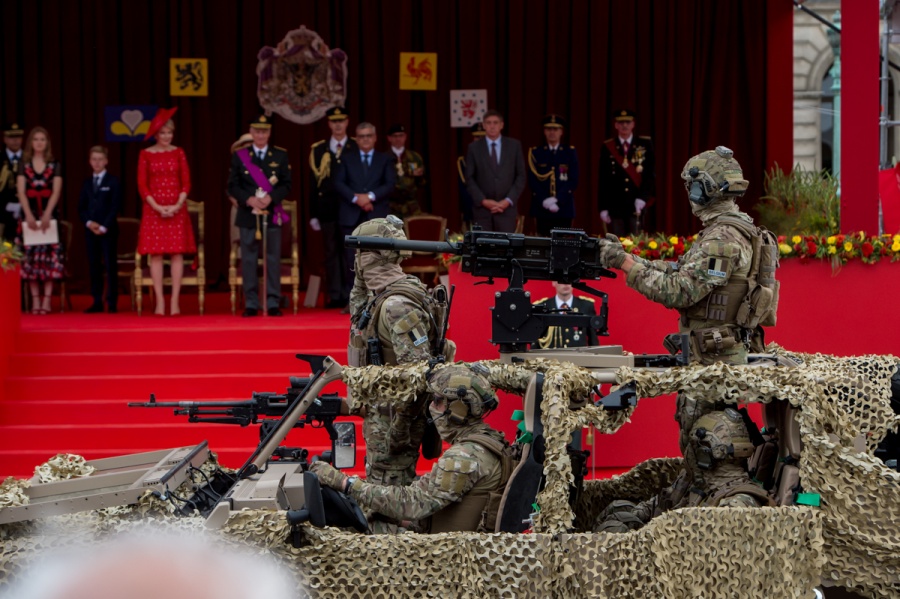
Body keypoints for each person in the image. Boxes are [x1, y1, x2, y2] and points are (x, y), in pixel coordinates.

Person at [597, 145, 779, 450]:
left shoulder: (723, 239)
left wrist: (623, 264)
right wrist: (631, 258)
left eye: (692, 186)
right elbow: (680, 270)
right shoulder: (728, 231)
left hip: (715, 362)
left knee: (705, 441)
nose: (689, 193)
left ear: (707, 189)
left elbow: (679, 290)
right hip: (715, 355)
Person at [311, 363, 511, 534]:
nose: (432, 406)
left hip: (443, 555)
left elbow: (413, 504)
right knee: (372, 518)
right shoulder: (489, 441)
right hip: (448, 541)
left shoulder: (464, 457)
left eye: (438, 400)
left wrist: (345, 483)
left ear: (457, 410)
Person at [346, 216, 455, 488]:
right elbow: (358, 313)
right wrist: (360, 277)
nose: (357, 262)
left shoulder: (398, 306)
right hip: (383, 415)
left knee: (389, 496)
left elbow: (417, 376)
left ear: (376, 257)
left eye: (361, 255)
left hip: (395, 421)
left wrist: (399, 431)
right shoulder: (382, 295)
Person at [594, 408, 772, 533]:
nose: (689, 452)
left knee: (616, 529)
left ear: (706, 453)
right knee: (618, 512)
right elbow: (663, 504)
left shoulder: (738, 505)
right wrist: (635, 516)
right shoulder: (699, 481)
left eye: (694, 446)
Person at [227, 114, 292, 317]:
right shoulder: (241, 156)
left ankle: (272, 301)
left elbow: (286, 184)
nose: (261, 134)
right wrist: (249, 199)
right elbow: (232, 185)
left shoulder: (280, 156)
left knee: (272, 258)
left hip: (272, 214)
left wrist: (271, 198)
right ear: (252, 133)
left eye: (264, 131)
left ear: (269, 133)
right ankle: (252, 303)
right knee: (248, 260)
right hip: (248, 214)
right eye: (257, 131)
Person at [137, 107, 195, 316]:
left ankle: (175, 301)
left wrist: (177, 205)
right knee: (156, 256)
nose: (166, 136)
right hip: (154, 210)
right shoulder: (145, 154)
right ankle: (160, 301)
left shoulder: (179, 152)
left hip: (176, 208)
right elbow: (142, 185)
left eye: (169, 133)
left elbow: (186, 183)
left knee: (177, 254)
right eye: (162, 133)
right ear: (155, 134)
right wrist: (158, 207)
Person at [334, 122, 396, 309]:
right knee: (351, 260)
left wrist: (369, 197)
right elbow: (338, 183)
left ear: (375, 138)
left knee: (378, 259)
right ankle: (353, 301)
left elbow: (390, 184)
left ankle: (378, 301)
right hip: (351, 214)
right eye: (361, 136)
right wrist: (356, 199)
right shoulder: (346, 159)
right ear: (356, 139)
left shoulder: (384, 159)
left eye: (369, 135)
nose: (365, 139)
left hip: (375, 215)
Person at [308, 106, 357, 309]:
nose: (337, 125)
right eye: (334, 121)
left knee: (351, 254)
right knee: (331, 253)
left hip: (350, 209)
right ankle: (334, 294)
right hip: (327, 209)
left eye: (341, 121)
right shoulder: (319, 149)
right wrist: (313, 214)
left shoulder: (355, 147)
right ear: (329, 124)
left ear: (346, 122)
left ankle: (350, 294)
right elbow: (312, 183)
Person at [16, 126, 63, 315]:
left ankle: (47, 300)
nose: (39, 143)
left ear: (47, 143)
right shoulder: (23, 163)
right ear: (30, 143)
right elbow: (21, 191)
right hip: (29, 216)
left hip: (48, 216)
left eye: (42, 139)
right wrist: (28, 214)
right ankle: (35, 300)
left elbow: (56, 191)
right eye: (36, 139)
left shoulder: (54, 164)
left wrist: (46, 214)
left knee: (49, 259)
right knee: (31, 259)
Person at [464, 109, 526, 232]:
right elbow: (469, 178)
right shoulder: (474, 148)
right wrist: (483, 200)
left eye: (495, 123)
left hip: (506, 211)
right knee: (482, 248)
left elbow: (521, 176)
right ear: (484, 125)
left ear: (501, 125)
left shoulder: (514, 146)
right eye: (488, 123)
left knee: (505, 248)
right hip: (482, 212)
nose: (492, 126)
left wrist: (507, 201)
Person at [598, 109, 655, 236]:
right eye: (621, 122)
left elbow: (650, 176)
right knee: (618, 247)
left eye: (628, 122)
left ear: (633, 124)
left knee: (636, 246)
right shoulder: (608, 146)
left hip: (637, 205)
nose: (624, 125)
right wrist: (603, 207)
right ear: (616, 125)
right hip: (615, 205)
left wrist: (642, 198)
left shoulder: (644, 144)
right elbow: (603, 179)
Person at [78, 145, 121, 313]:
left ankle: (112, 302)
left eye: (100, 159)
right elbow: (81, 207)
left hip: (108, 231)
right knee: (94, 265)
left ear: (106, 161)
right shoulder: (86, 183)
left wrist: (104, 226)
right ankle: (96, 300)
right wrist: (89, 223)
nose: (97, 162)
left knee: (110, 266)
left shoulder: (113, 181)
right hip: (91, 231)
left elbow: (115, 206)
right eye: (94, 159)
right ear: (90, 161)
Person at [527, 114, 580, 236]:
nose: (552, 132)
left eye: (555, 129)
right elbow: (533, 181)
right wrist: (544, 201)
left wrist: (557, 200)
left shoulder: (569, 152)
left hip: (564, 207)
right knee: (542, 243)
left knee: (563, 244)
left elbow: (573, 180)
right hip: (541, 207)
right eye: (549, 129)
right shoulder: (536, 153)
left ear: (561, 132)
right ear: (544, 131)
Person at [533, 282, 598, 349]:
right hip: (551, 357)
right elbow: (536, 340)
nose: (566, 284)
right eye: (561, 281)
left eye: (570, 280)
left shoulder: (586, 306)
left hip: (577, 356)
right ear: (554, 283)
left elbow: (593, 340)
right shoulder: (543, 307)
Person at [385, 123, 426, 217]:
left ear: (405, 137)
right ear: (389, 138)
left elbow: (422, 183)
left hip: (411, 207)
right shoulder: (384, 158)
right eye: (395, 136)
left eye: (401, 136)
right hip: (390, 206)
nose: (398, 139)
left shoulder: (414, 157)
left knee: (412, 231)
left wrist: (419, 176)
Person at [456, 122, 486, 230]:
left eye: (483, 137)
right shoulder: (464, 162)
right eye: (477, 137)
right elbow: (465, 189)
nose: (480, 140)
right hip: (472, 210)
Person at [1, 122, 24, 242]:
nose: (15, 141)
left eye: (18, 137)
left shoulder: (29, 159)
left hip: (27, 216)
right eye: (12, 137)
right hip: (3, 218)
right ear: (5, 138)